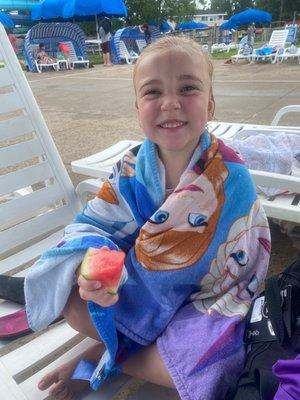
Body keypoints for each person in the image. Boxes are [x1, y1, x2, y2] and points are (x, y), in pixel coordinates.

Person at [22, 36, 271, 400]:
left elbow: (247, 258)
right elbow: (94, 224)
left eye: (187, 87)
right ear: (138, 107)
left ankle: (108, 357)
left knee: (215, 367)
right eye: (153, 92)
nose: (170, 103)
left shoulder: (232, 175)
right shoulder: (130, 168)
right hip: (143, 289)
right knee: (74, 305)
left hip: (205, 300)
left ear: (210, 104)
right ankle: (125, 346)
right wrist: (88, 270)